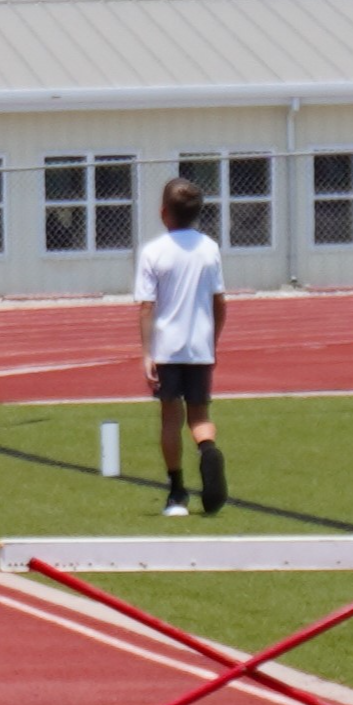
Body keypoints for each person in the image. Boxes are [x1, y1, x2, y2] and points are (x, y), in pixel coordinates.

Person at [137, 176, 228, 516]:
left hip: (167, 348)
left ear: (164, 213)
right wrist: (212, 342)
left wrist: (147, 354)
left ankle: (177, 493)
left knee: (170, 417)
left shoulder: (153, 252)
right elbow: (220, 303)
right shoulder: (209, 249)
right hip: (199, 346)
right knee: (200, 414)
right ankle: (207, 448)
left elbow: (147, 306)